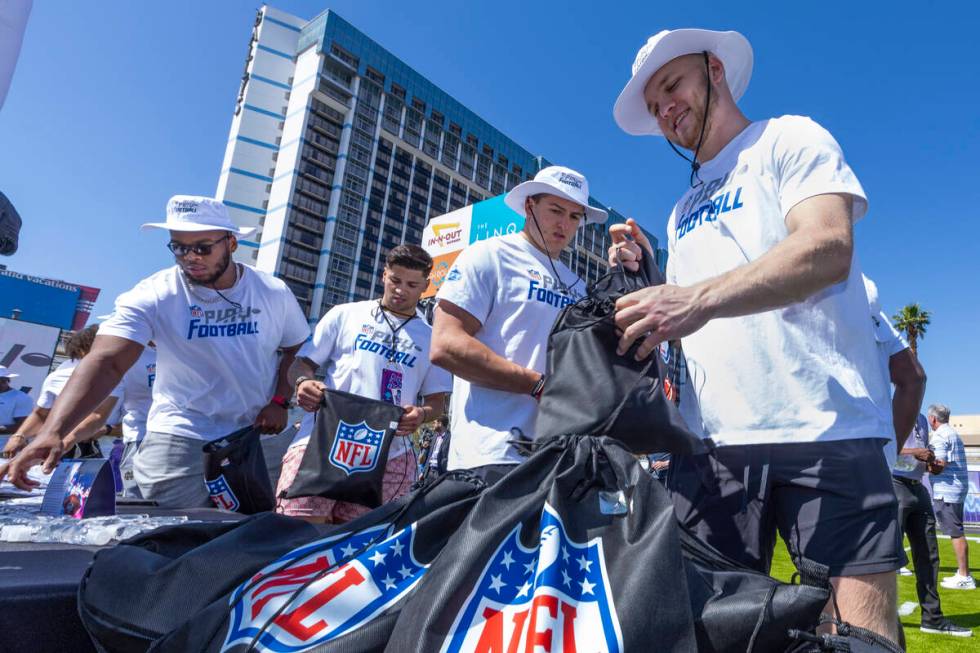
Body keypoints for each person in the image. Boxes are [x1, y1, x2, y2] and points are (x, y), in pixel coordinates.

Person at [609, 29, 902, 641]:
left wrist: (694, 298)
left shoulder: (788, 136)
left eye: (672, 85)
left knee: (858, 635)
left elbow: (826, 247)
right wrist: (649, 278)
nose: (664, 108)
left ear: (715, 69)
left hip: (826, 427)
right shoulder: (681, 207)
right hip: (711, 448)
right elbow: (695, 322)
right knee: (707, 633)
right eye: (653, 103)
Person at [0, 196, 310, 508]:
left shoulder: (272, 291)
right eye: (179, 247)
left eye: (202, 247)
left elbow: (296, 348)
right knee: (164, 528)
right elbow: (106, 360)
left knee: (255, 530)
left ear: (230, 243)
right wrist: (54, 431)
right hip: (181, 431)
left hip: (258, 432)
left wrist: (280, 401)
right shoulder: (154, 292)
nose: (190, 257)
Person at [430, 166, 607, 483]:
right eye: (555, 210)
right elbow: (446, 345)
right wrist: (537, 385)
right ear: (529, 206)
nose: (564, 224)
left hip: (561, 458)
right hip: (490, 454)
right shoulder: (488, 255)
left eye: (574, 216)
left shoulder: (580, 287)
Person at [277, 244, 451, 523]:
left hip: (391, 456)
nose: (400, 290)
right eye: (395, 280)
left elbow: (436, 402)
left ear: (425, 287)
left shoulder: (432, 338)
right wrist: (302, 382)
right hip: (320, 444)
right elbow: (302, 364)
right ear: (383, 275)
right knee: (293, 535)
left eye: (411, 284)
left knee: (361, 549)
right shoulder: (345, 314)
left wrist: (421, 416)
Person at [867, 279, 971, 636]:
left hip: (917, 487)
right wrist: (914, 451)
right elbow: (888, 444)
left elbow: (921, 455)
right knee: (883, 559)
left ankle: (933, 618)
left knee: (928, 556)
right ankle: (879, 623)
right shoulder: (884, 408)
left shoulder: (924, 418)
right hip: (894, 485)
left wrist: (931, 463)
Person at [1, 325, 122, 460]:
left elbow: (101, 416)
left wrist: (107, 429)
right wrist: (19, 437)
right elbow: (41, 414)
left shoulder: (120, 378)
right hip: (60, 452)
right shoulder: (57, 377)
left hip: (109, 454)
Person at [927, 403, 975, 591]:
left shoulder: (941, 435)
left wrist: (919, 462)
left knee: (955, 531)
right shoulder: (952, 433)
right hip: (955, 489)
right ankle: (962, 573)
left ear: (933, 418)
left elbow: (939, 466)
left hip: (948, 490)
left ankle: (964, 575)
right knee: (956, 530)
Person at [0, 365, 31, 437]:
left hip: (4, 445)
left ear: (7, 380)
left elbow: (23, 426)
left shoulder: (21, 397)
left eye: (2, 381)